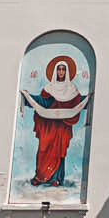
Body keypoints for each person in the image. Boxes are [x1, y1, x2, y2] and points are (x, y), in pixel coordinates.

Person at [22, 54, 87, 187]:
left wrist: (88, 99)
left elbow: (77, 102)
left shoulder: (72, 89)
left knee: (59, 151)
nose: (61, 72)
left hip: (62, 126)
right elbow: (43, 102)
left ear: (67, 72)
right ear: (55, 71)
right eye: (59, 69)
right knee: (43, 149)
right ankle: (40, 177)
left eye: (63, 69)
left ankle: (56, 178)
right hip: (48, 125)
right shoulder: (49, 88)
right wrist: (29, 97)